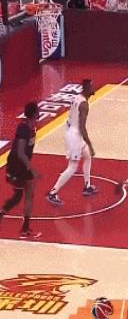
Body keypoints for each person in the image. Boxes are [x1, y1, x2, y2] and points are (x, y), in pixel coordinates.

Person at [46, 79, 97, 206]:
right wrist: (90, 144)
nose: (93, 88)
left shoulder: (77, 98)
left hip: (72, 131)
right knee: (72, 167)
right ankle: (53, 192)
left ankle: (87, 186)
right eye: (91, 87)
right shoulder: (84, 105)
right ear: (86, 88)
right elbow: (82, 127)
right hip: (75, 136)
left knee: (87, 156)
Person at [0, 102, 41, 239]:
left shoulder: (31, 126)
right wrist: (32, 169)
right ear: (34, 113)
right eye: (38, 111)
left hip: (22, 166)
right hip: (16, 166)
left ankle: (24, 227)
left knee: (28, 193)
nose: (39, 112)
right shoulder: (24, 129)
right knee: (20, 195)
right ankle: (22, 227)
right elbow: (20, 152)